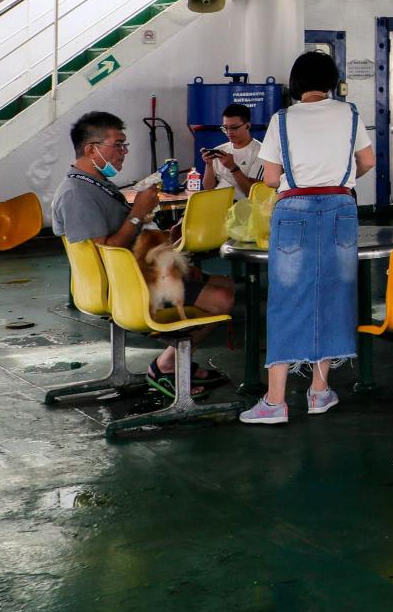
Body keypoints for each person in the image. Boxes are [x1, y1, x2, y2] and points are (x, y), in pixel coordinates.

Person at [52, 111, 233, 396]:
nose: (124, 152)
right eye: (118, 145)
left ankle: (169, 363)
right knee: (222, 297)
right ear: (91, 149)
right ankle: (167, 364)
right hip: (128, 285)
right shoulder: (77, 194)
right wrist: (137, 213)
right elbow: (106, 252)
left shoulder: (94, 183)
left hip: (140, 275)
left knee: (226, 284)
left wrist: (169, 246)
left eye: (124, 145)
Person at [239, 51, 374, 425]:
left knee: (287, 299)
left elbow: (270, 179)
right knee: (334, 293)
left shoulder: (282, 119)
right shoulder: (350, 114)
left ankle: (275, 402)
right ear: (330, 80)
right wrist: (342, 180)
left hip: (294, 210)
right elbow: (367, 161)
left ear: (296, 82)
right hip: (341, 208)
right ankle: (319, 391)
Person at [200, 102, 262, 199]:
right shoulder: (220, 150)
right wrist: (209, 165)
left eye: (234, 128)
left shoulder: (261, 152)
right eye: (225, 128)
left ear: (247, 126)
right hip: (217, 202)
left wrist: (233, 168)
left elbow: (253, 194)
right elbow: (208, 188)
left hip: (241, 205)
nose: (229, 132)